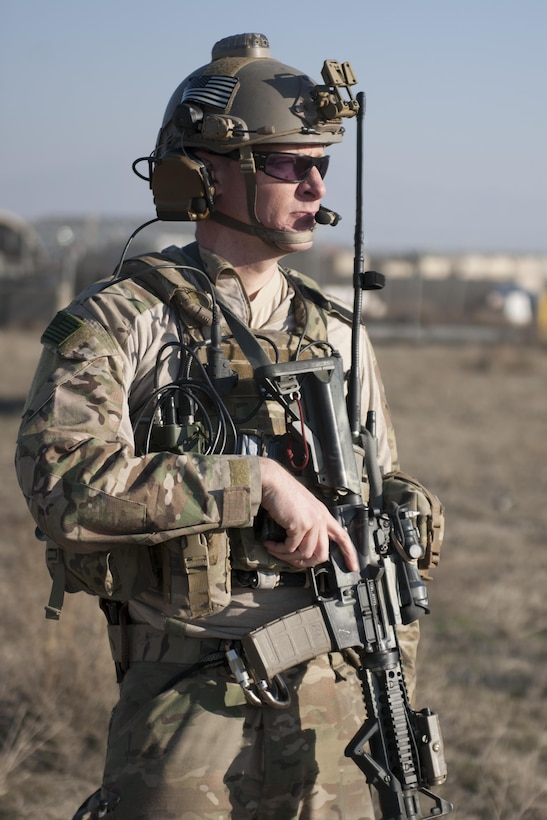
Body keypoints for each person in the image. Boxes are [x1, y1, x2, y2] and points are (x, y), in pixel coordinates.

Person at [15, 32, 439, 820]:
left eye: (321, 164)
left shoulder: (336, 332)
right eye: (288, 164)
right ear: (203, 174)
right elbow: (62, 485)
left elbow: (376, 487)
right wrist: (256, 484)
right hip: (189, 701)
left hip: (341, 701)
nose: (314, 185)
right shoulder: (121, 322)